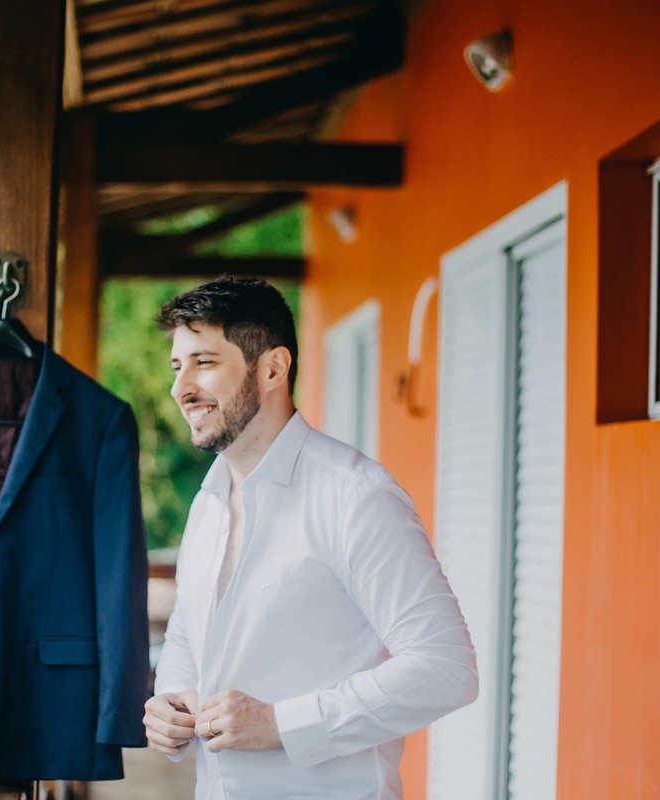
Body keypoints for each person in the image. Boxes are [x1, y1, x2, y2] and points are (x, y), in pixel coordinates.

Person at [143, 277, 478, 799]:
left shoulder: (356, 497)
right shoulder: (207, 501)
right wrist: (173, 698)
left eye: (204, 363)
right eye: (177, 366)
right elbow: (188, 634)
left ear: (273, 368)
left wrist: (281, 724)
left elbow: (446, 667)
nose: (181, 388)